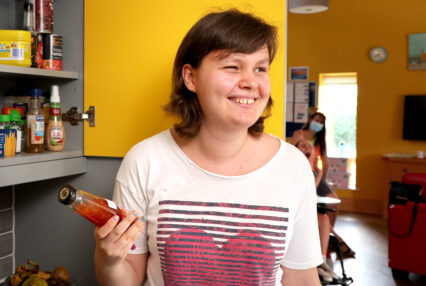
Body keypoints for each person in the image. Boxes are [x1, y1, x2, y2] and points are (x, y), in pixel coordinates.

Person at [94, 9, 322, 286]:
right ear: (190, 78)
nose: (251, 82)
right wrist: (108, 259)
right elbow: (126, 278)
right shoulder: (145, 160)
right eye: (232, 66)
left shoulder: (292, 166)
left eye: (260, 68)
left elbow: (301, 278)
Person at [291, 113, 356, 258]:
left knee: (333, 202)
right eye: (316, 120)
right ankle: (337, 239)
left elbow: (325, 162)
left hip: (315, 174)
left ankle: (329, 238)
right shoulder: (299, 134)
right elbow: (291, 152)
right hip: (302, 173)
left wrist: (324, 182)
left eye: (321, 122)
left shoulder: (318, 141)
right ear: (310, 120)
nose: (317, 123)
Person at [296, 139, 340, 282]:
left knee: (324, 218)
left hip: (310, 209)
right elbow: (308, 192)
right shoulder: (295, 168)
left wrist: (319, 173)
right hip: (297, 211)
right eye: (303, 146)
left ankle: (320, 261)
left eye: (309, 146)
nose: (307, 148)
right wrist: (319, 174)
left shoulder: (314, 172)